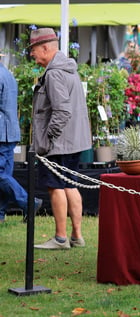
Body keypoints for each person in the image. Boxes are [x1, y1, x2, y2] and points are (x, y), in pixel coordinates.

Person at [29, 28, 91, 249]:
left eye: (33, 49)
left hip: (59, 143)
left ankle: (61, 238)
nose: (32, 54)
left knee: (56, 186)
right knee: (69, 185)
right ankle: (77, 236)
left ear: (46, 47)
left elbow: (62, 111)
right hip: (74, 140)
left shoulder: (54, 73)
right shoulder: (69, 69)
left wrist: (47, 137)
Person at [0, 58, 42, 224]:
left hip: (2, 133)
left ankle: (29, 203)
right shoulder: (7, 74)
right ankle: (1, 214)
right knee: (5, 174)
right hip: (9, 131)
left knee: (1, 174)